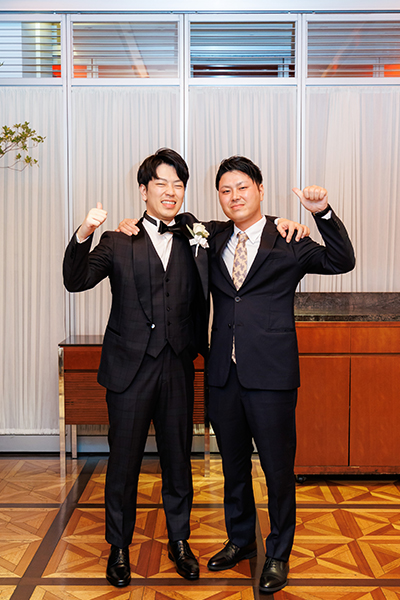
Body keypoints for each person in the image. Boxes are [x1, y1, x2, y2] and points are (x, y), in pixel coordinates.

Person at [63, 148, 307, 588]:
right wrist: (85, 232)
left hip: (179, 366)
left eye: (178, 184)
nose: (170, 192)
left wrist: (285, 222)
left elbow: (247, 221)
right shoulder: (118, 240)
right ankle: (118, 548)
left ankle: (180, 542)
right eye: (161, 183)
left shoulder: (199, 234)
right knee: (123, 465)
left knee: (179, 463)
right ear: (144, 190)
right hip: (129, 370)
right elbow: (75, 280)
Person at [118, 155, 355, 593]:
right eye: (225, 190)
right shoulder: (210, 236)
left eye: (242, 187)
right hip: (223, 376)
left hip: (272, 375)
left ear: (260, 190)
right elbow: (166, 223)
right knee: (234, 468)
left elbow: (342, 260)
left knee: (278, 471)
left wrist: (320, 214)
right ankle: (241, 540)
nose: (234, 196)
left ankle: (278, 552)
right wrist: (131, 223)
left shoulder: (289, 238)